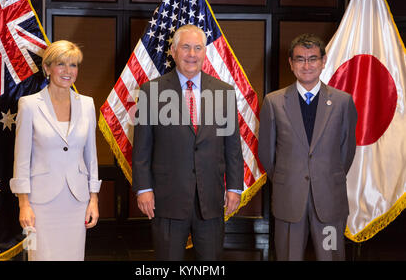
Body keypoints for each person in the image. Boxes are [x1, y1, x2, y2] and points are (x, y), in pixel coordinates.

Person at [132, 25, 244, 260]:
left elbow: (232, 146)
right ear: (173, 51)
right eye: (185, 47)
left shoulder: (224, 92)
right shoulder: (151, 91)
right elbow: (143, 148)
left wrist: (234, 187)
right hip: (167, 199)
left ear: (205, 53)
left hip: (211, 200)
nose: (192, 54)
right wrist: (143, 189)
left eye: (197, 48)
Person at [258, 33, 358, 261]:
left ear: (323, 62)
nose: (307, 65)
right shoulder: (273, 102)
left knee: (331, 256)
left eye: (313, 58)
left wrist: (325, 175)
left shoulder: (343, 102)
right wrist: (289, 177)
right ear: (291, 64)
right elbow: (266, 153)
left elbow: (346, 151)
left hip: (330, 201)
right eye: (300, 59)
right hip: (289, 199)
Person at [10, 40, 101, 261]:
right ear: (48, 68)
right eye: (61, 64)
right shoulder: (29, 104)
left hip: (77, 201)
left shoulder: (87, 104)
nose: (68, 71)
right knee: (39, 256)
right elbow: (21, 159)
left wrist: (94, 200)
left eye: (74, 65)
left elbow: (91, 157)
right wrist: (24, 204)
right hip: (40, 204)